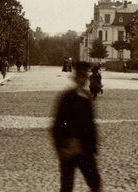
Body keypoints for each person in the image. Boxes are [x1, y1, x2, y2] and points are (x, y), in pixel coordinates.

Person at [51, 60, 101, 192]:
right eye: (80, 76)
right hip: (69, 150)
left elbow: (90, 124)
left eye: (84, 76)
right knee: (67, 186)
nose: (82, 79)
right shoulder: (67, 98)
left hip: (85, 149)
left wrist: (93, 145)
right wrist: (62, 146)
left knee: (95, 182)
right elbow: (57, 125)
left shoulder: (86, 97)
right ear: (75, 77)